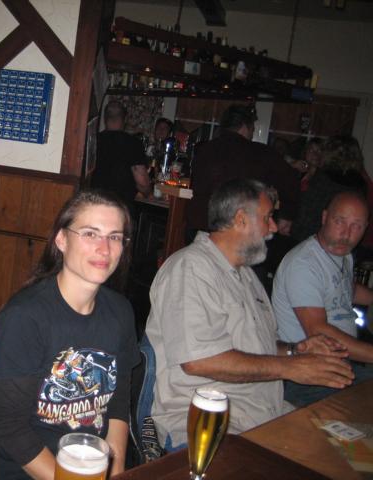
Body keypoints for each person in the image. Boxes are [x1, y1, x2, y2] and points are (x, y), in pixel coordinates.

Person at [145, 178, 353, 452]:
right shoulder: (190, 268)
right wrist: (292, 368)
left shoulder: (245, 275)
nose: (274, 227)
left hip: (263, 415)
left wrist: (295, 350)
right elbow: (199, 361)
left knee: (347, 445)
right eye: (267, 218)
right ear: (241, 219)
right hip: (211, 425)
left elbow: (251, 348)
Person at [0, 189, 140, 479]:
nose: (105, 249)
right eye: (90, 234)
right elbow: (10, 427)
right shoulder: (25, 317)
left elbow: (118, 405)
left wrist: (115, 471)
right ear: (61, 240)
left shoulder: (121, 312)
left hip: (96, 467)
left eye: (115, 237)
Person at [273, 191, 373, 406]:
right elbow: (318, 331)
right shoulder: (304, 264)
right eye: (340, 222)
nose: (346, 234)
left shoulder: (342, 254)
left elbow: (347, 289)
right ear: (324, 217)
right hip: (306, 374)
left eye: (356, 226)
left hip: (340, 363)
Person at [186, 105, 300, 237]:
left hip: (200, 226)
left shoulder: (205, 149)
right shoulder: (261, 154)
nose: (252, 133)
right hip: (237, 231)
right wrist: (287, 215)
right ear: (245, 127)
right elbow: (290, 181)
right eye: (252, 129)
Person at [292, 135, 368, 242]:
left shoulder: (323, 178)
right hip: (345, 239)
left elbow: (306, 213)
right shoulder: (360, 184)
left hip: (315, 238)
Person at [91, 101, 151, 209]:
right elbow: (142, 182)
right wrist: (149, 192)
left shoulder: (93, 140)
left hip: (94, 203)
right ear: (125, 119)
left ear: (105, 118)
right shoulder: (133, 143)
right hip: (120, 207)